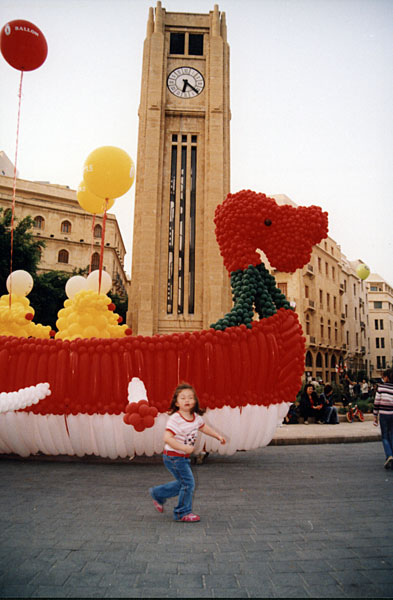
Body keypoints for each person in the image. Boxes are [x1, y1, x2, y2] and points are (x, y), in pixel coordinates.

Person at [149, 383, 226, 522]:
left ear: (195, 401)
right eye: (183, 398)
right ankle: (182, 513)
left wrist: (218, 436)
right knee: (188, 484)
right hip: (173, 457)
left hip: (182, 458)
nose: (187, 400)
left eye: (190, 397)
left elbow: (204, 428)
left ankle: (158, 493)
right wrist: (184, 448)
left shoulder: (196, 417)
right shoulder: (175, 419)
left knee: (183, 483)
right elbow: (167, 438)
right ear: (176, 403)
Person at [373, 369, 393, 469]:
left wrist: (375, 416)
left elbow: (377, 402)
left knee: (385, 436)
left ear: (386, 377)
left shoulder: (381, 388)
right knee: (392, 435)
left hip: (384, 415)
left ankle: (389, 455)